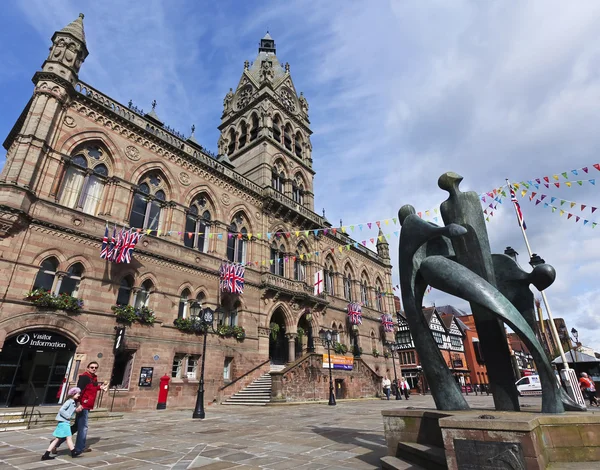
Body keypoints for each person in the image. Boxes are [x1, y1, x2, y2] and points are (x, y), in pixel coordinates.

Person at [59, 361, 108, 456]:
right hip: (82, 406)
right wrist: (78, 404)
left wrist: (99, 387)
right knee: (83, 427)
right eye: (92, 367)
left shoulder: (93, 378)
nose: (94, 369)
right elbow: (79, 391)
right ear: (88, 368)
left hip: (87, 405)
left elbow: (91, 388)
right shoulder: (84, 378)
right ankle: (79, 448)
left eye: (95, 367)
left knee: (76, 426)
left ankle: (57, 443)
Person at [41, 387, 81, 460]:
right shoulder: (69, 401)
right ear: (73, 394)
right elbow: (61, 410)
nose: (79, 395)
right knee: (68, 438)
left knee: (58, 439)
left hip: (63, 422)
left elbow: (70, 410)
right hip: (64, 422)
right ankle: (73, 452)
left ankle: (46, 455)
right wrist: (68, 416)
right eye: (78, 394)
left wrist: (76, 410)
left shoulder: (71, 401)